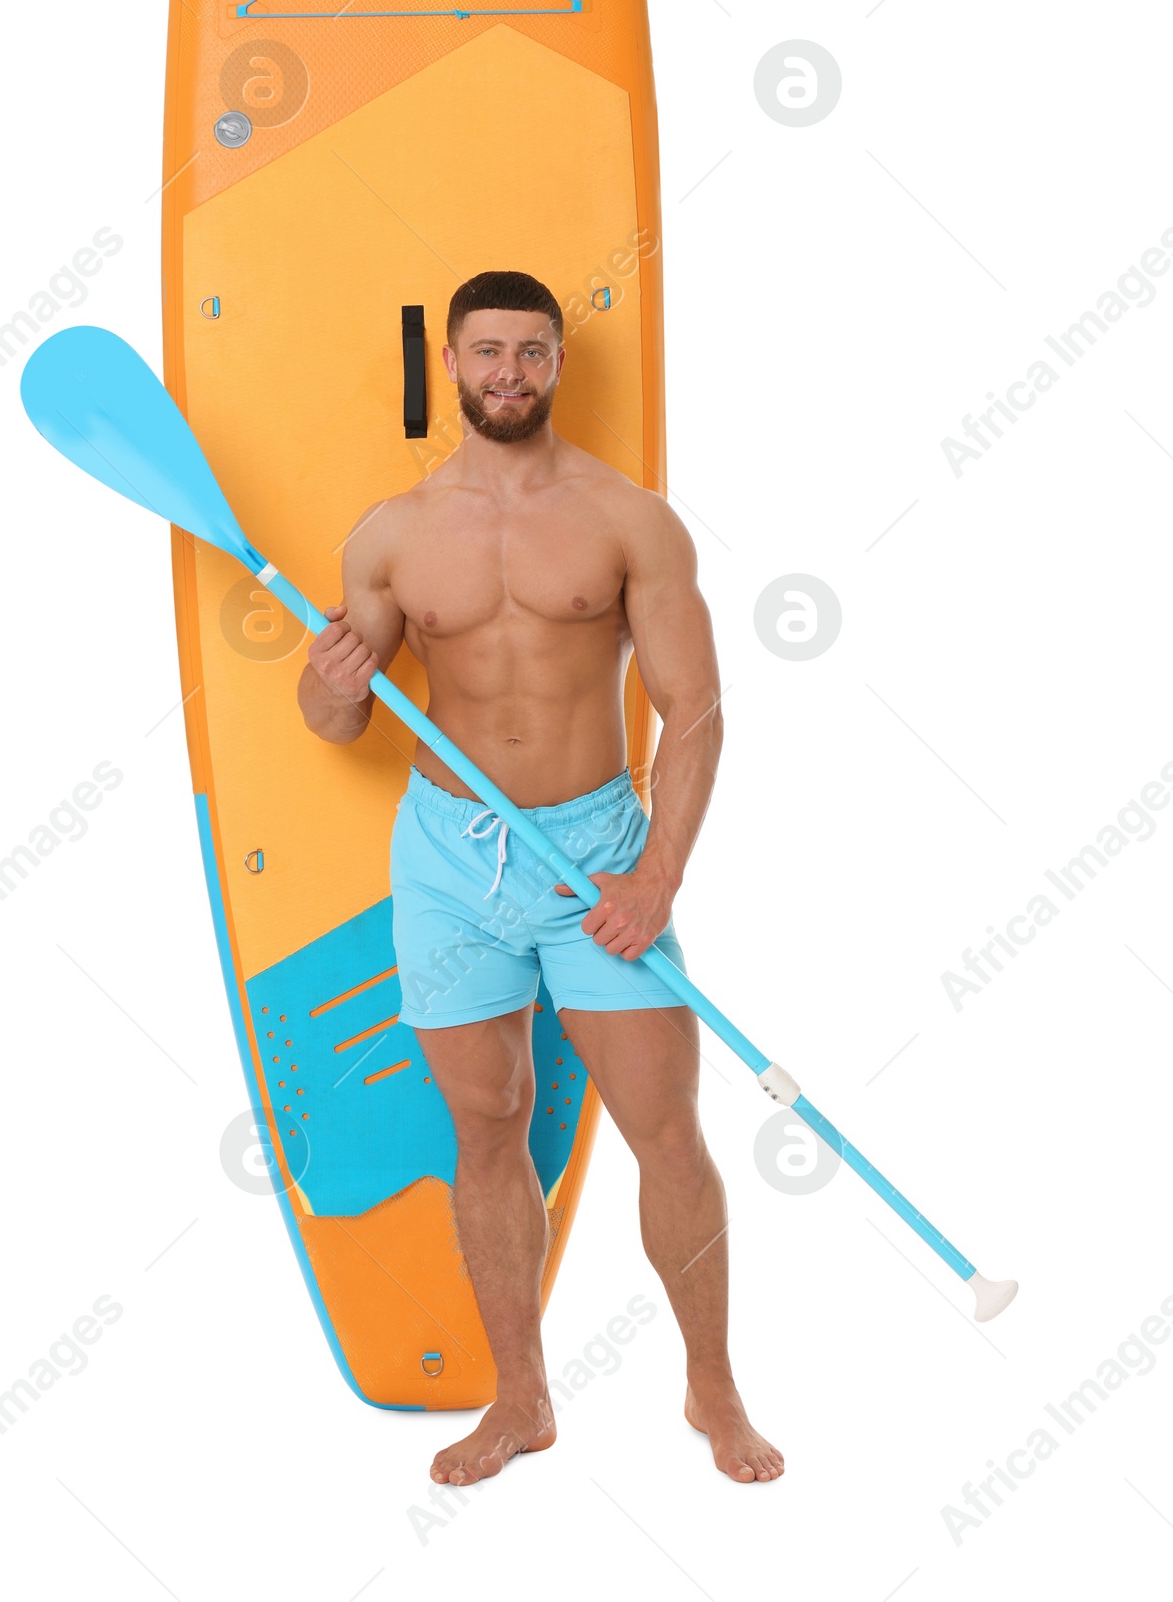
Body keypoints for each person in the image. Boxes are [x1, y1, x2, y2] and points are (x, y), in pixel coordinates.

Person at [296, 269, 783, 1487]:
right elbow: (333, 724)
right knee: (488, 1123)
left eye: (530, 351)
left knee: (663, 1130)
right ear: (450, 364)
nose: (507, 372)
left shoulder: (629, 521)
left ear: (556, 364)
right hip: (448, 858)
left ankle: (711, 1394)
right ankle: (522, 1402)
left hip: (597, 850)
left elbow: (696, 711)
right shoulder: (390, 535)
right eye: (485, 351)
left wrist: (657, 875)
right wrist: (330, 682)